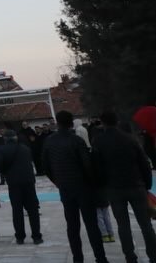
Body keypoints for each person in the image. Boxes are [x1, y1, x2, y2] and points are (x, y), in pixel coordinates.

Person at [43, 110, 110, 263]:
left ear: (57, 123)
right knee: (91, 224)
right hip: (82, 187)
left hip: (65, 187)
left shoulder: (49, 141)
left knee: (72, 226)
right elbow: (87, 164)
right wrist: (92, 183)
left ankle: (77, 258)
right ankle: (100, 257)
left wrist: (58, 181)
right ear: (71, 123)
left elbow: (45, 166)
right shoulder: (76, 141)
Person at [91, 111, 156, 263]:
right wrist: (146, 184)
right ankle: (153, 255)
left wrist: (102, 186)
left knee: (123, 225)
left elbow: (96, 168)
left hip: (114, 189)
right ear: (117, 120)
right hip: (136, 185)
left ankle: (130, 257)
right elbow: (144, 164)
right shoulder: (130, 139)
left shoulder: (98, 141)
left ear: (102, 122)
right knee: (146, 225)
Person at [0, 129, 42, 245]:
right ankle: (36, 236)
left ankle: (20, 237)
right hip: (29, 182)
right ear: (16, 138)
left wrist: (5, 172)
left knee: (17, 210)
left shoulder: (2, 150)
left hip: (14, 183)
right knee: (33, 210)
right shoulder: (25, 148)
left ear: (5, 139)